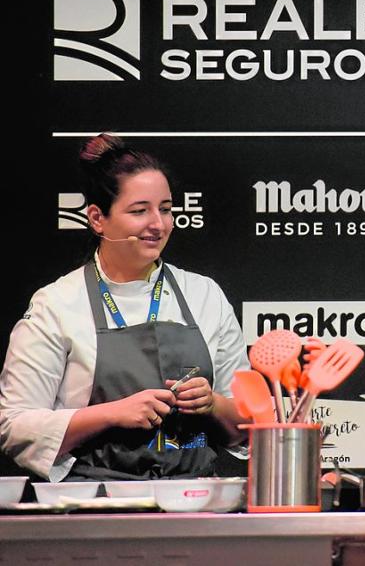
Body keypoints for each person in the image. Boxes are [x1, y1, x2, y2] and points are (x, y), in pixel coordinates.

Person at [0, 134, 250, 481]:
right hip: (94, 507)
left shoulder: (204, 295)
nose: (158, 224)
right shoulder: (57, 304)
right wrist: (112, 413)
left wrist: (212, 405)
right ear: (98, 218)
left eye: (165, 209)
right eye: (139, 211)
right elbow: (15, 426)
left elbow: (247, 424)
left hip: (194, 505)